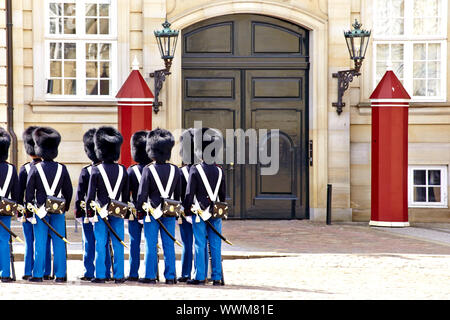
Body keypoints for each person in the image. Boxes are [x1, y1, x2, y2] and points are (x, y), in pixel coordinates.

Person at [25, 127, 73, 282]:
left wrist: (30, 208)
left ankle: (38, 274)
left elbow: (29, 192)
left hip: (40, 210)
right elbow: (68, 191)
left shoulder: (35, 168)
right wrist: (64, 207)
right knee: (59, 242)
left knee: (40, 243)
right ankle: (60, 275)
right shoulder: (62, 168)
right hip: (58, 210)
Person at [136, 128, 181, 284]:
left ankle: (150, 275)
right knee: (169, 245)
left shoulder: (148, 170)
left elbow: (141, 195)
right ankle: (170, 276)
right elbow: (178, 193)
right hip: (169, 212)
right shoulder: (176, 170)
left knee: (151, 244)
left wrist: (139, 212)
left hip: (152, 212)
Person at [183, 128, 226, 285]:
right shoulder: (220, 170)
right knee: (215, 245)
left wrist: (187, 211)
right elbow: (222, 195)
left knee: (200, 244)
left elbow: (189, 194)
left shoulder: (195, 169)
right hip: (216, 213)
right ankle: (217, 277)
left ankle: (200, 276)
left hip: (200, 212)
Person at [86, 126, 129, 284]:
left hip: (100, 212)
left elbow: (90, 196)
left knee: (101, 244)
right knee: (118, 243)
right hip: (118, 211)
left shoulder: (96, 170)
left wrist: (89, 214)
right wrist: (124, 213)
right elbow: (125, 195)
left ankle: (101, 275)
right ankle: (118, 276)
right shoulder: (122, 170)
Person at [74, 128, 112, 281]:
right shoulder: (110, 169)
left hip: (90, 212)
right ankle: (106, 271)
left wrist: (78, 211)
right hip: (107, 210)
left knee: (89, 241)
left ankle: (89, 271)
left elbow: (80, 194)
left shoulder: (87, 170)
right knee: (104, 242)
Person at [17, 126, 52, 281]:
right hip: (46, 208)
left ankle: (28, 270)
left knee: (30, 241)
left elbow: (20, 193)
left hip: (29, 209)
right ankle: (46, 270)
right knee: (44, 240)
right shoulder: (50, 167)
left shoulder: (25, 168)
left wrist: (21, 210)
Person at [126, 130, 151, 281]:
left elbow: (126, 193)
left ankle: (133, 273)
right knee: (150, 242)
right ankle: (152, 272)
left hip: (135, 210)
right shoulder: (154, 169)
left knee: (134, 243)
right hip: (153, 210)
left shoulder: (131, 170)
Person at [0, 128, 19, 282]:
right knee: (4, 241)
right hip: (5, 210)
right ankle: (5, 273)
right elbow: (17, 193)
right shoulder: (11, 169)